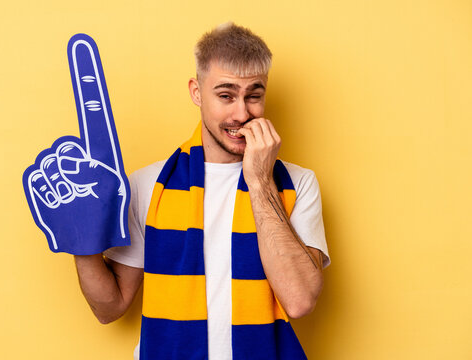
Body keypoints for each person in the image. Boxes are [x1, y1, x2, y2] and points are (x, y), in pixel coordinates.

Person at [73, 22, 330, 360]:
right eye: (226, 95)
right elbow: (110, 307)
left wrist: (260, 181)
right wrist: (80, 237)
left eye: (254, 95)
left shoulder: (297, 183)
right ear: (196, 92)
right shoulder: (147, 184)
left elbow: (299, 300)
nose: (242, 113)